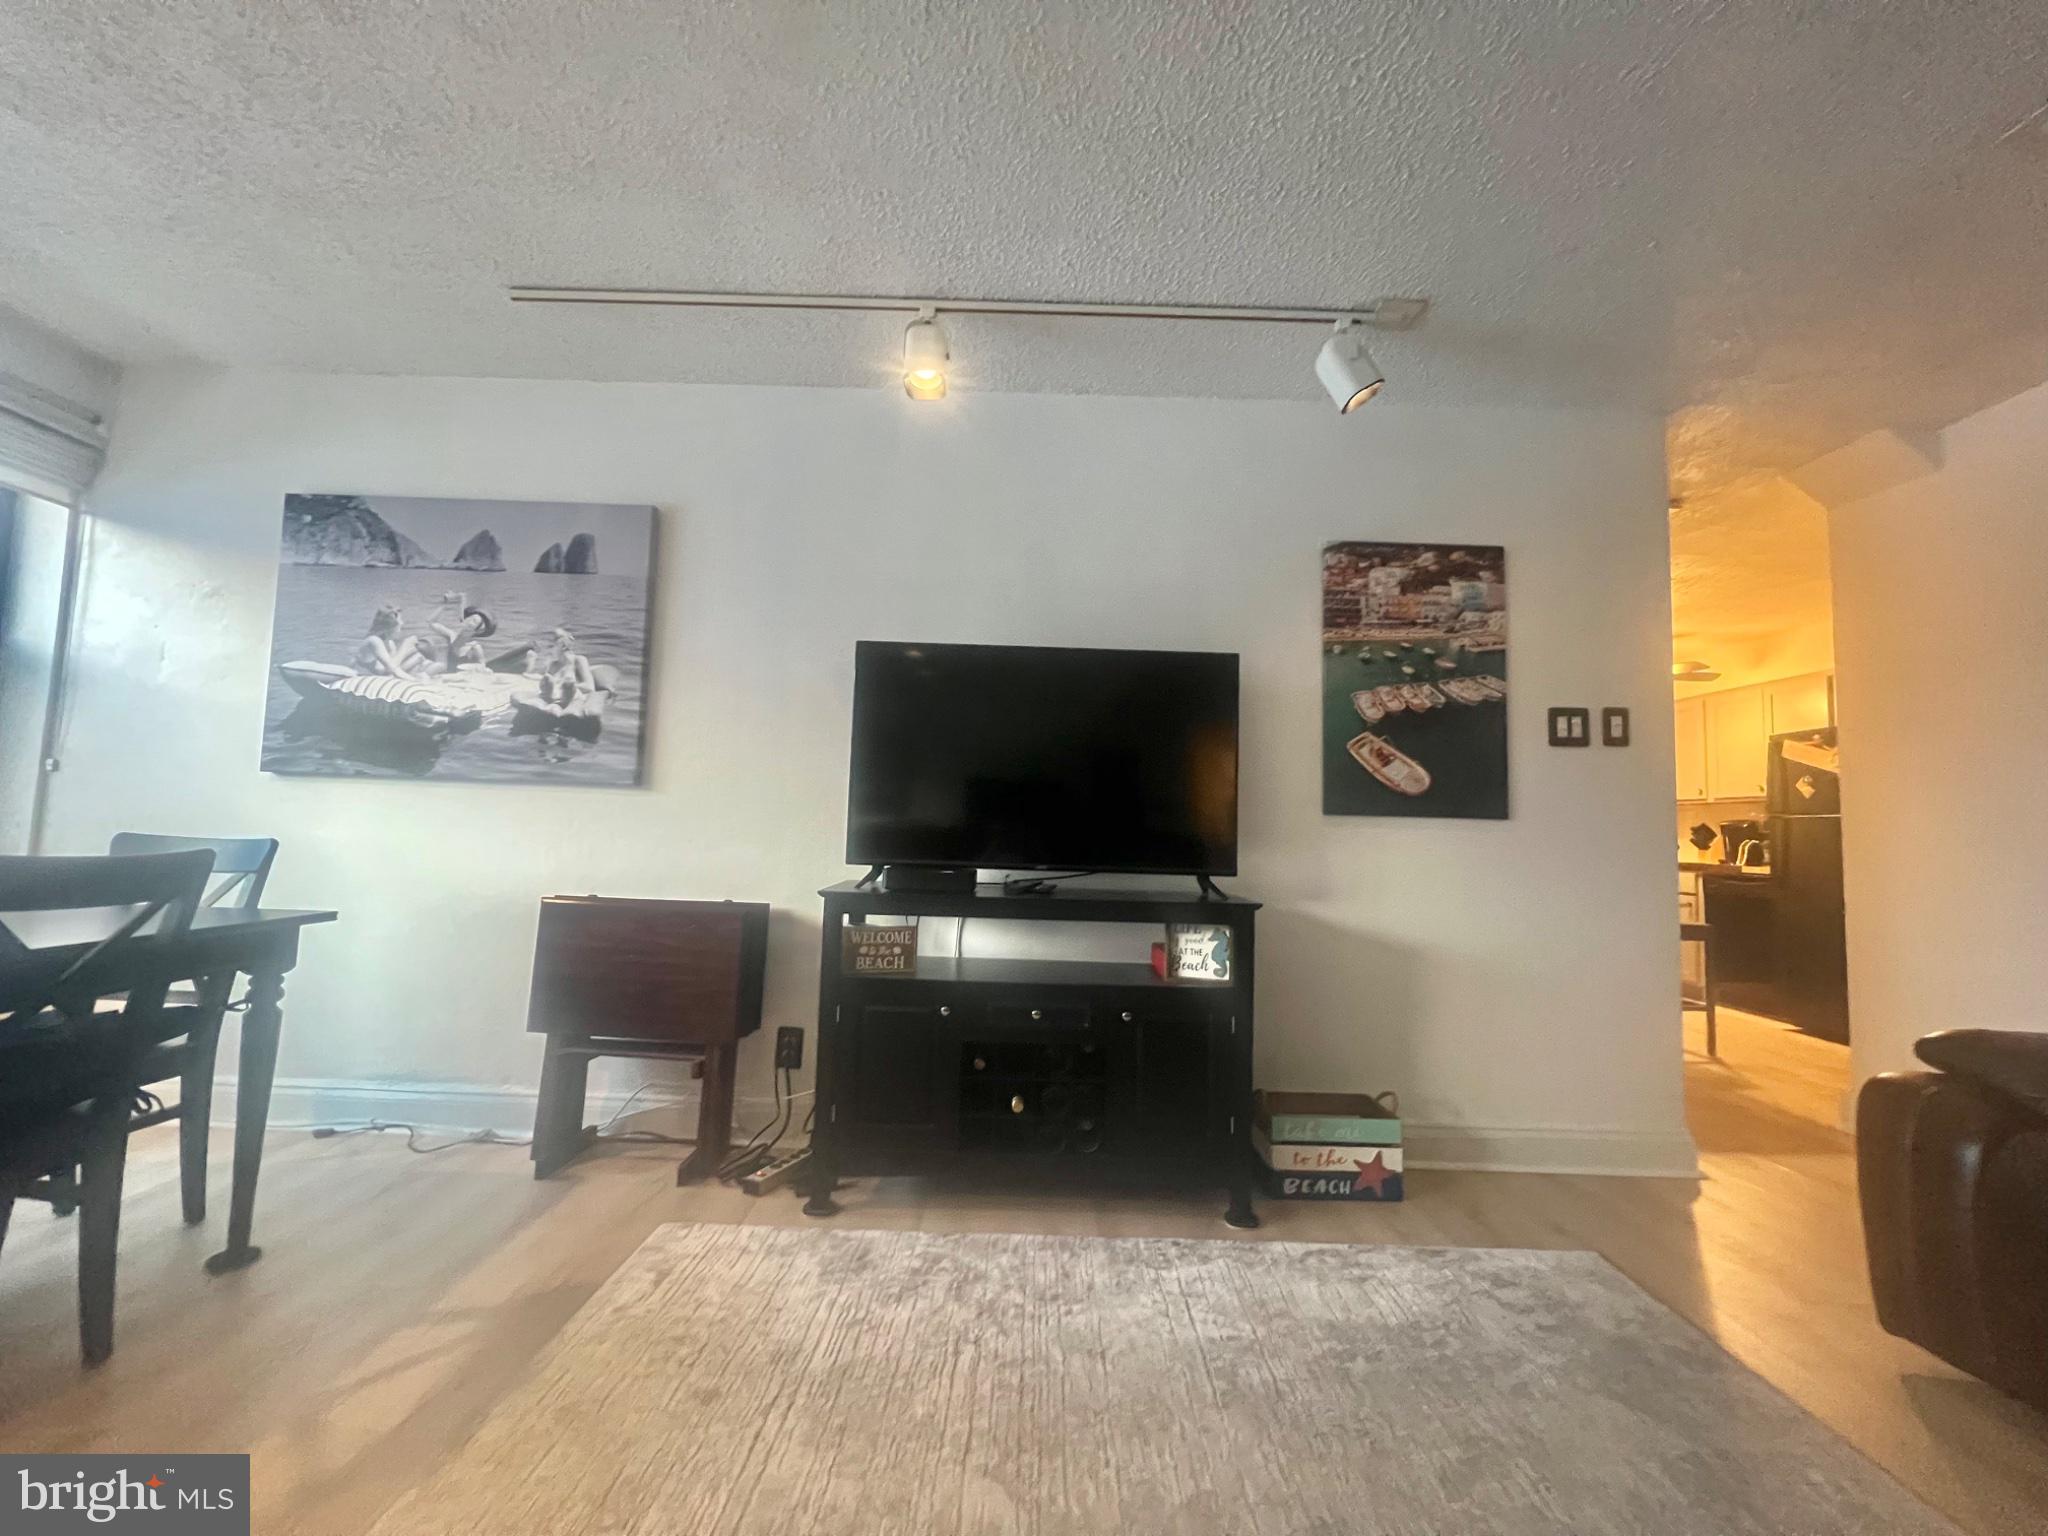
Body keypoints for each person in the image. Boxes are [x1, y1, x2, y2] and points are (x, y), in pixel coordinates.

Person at [430, 592, 496, 673]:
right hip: (448, 676)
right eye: (470, 617)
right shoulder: (452, 635)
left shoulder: (475, 647)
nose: (469, 620)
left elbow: (483, 666)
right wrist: (445, 605)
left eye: (474, 621)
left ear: (476, 630)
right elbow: (431, 622)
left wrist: (471, 668)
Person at [355, 605, 427, 678]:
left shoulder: (390, 643)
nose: (402, 623)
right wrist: (405, 646)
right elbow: (391, 669)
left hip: (379, 675)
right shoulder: (374, 641)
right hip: (360, 677)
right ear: (390, 626)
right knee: (416, 660)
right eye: (399, 620)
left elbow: (393, 668)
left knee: (419, 658)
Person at [538, 627, 596, 708]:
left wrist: (561, 685)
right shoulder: (553, 665)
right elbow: (545, 688)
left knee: (567, 684)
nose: (548, 651)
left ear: (563, 646)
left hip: (571, 698)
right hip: (553, 700)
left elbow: (590, 687)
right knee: (548, 680)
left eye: (551, 647)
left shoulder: (578, 660)